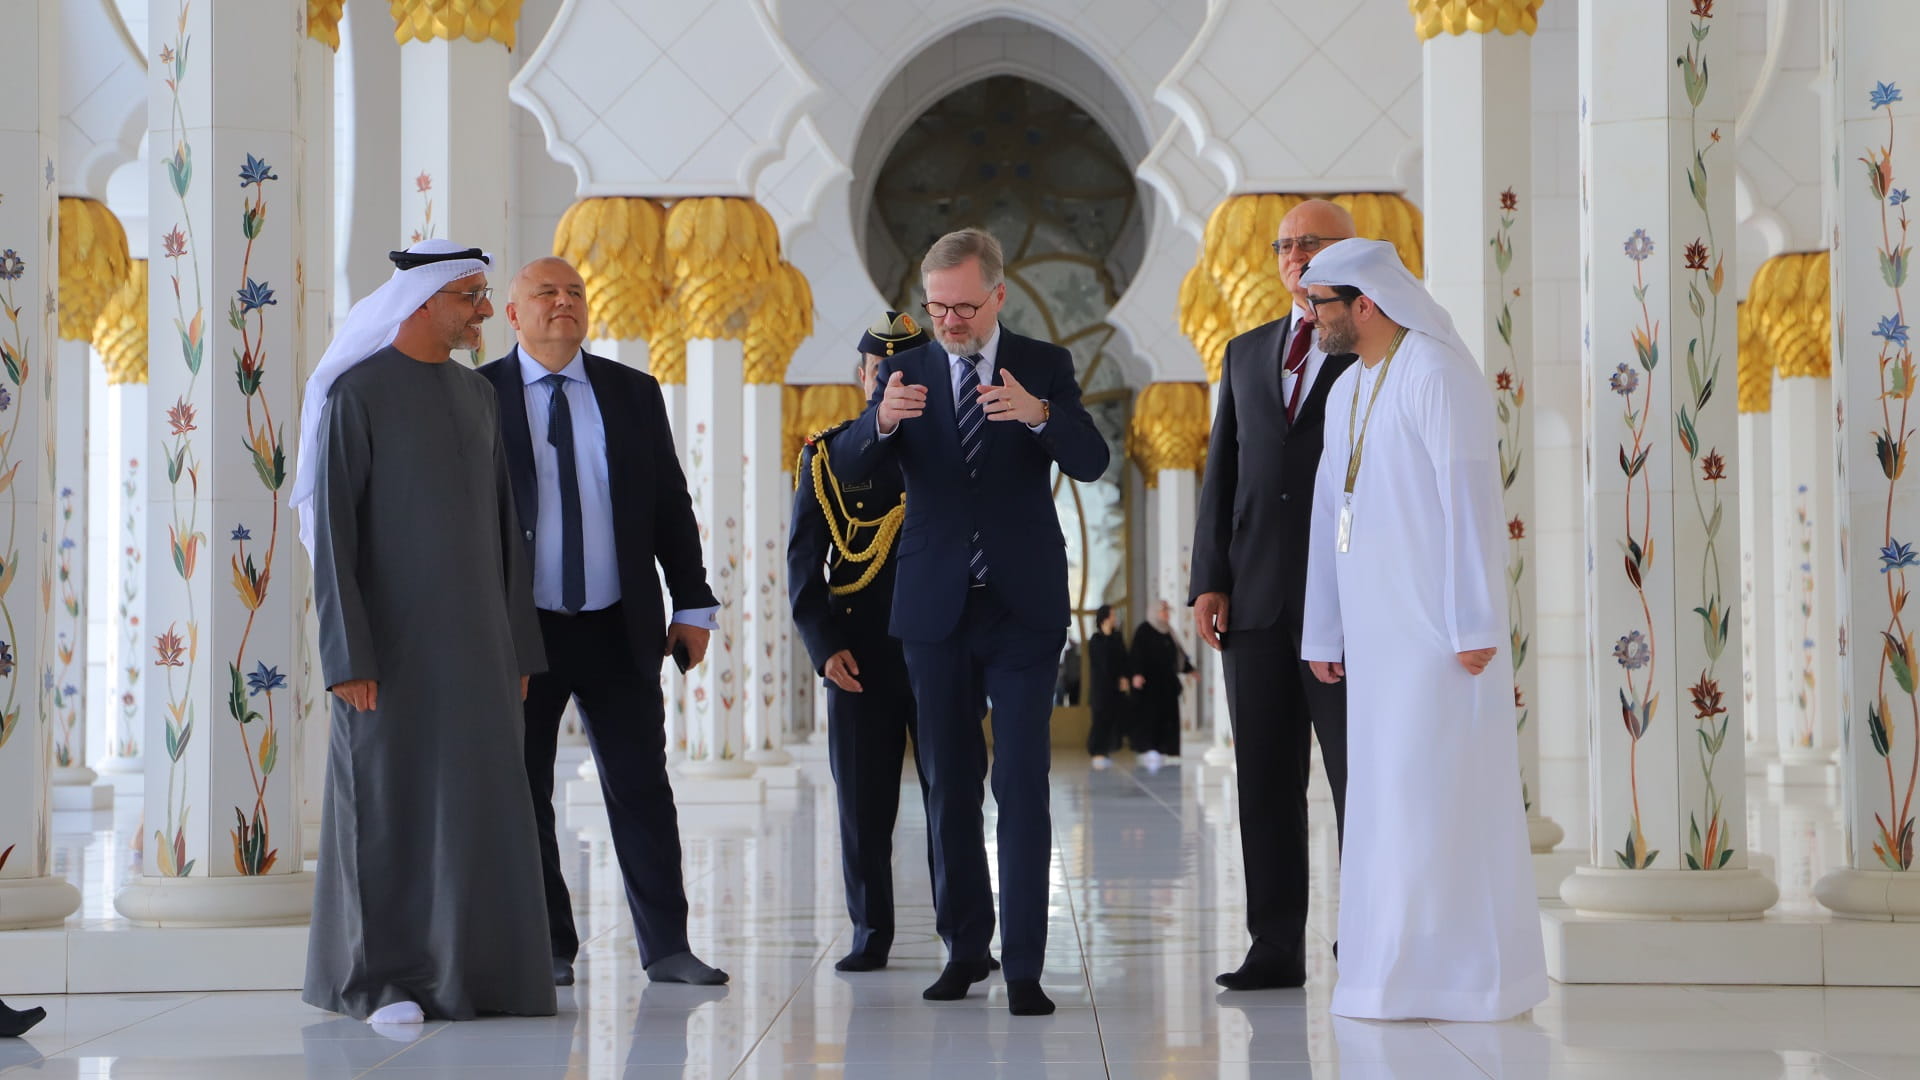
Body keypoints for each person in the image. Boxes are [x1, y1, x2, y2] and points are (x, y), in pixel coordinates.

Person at [828, 227, 1110, 1016]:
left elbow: (1092, 460)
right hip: (933, 611)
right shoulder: (903, 370)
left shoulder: (1044, 365)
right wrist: (880, 420)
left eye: (962, 305)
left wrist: (1039, 414)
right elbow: (848, 468)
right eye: (936, 306)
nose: (948, 320)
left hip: (1023, 610)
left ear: (997, 295)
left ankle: (1024, 966)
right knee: (950, 785)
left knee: (1022, 783)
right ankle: (966, 950)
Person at [296, 239, 554, 1025]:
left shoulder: (477, 397)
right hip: (391, 652)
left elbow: (507, 531)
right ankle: (383, 982)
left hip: (478, 648)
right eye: (471, 297)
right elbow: (335, 537)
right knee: (389, 806)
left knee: (478, 809)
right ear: (424, 303)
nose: (484, 311)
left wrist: (518, 646)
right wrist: (347, 656)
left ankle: (477, 976)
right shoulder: (356, 396)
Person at [1299, 237, 1547, 1022]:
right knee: (1383, 801)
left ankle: (1468, 978)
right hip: (1376, 639)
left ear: (1364, 305)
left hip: (1440, 639)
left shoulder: (1438, 375)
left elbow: (1472, 502)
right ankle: (1385, 975)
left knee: (1438, 799)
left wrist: (1474, 618)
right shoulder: (1346, 392)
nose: (1310, 321)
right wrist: (1323, 629)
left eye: (1321, 307)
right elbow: (1326, 518)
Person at [479, 257, 727, 989]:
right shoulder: (476, 396)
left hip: (619, 623)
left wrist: (693, 604)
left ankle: (668, 946)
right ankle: (549, 945)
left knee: (640, 785)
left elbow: (669, 508)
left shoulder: (632, 393)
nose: (563, 303)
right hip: (521, 633)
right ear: (512, 315)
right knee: (523, 788)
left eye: (575, 293)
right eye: (544, 294)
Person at [1189, 198, 1356, 991]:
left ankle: (1363, 937)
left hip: (1346, 607)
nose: (1294, 256)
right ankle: (1274, 947)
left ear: (1347, 253)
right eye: (1285, 245)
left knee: (1358, 779)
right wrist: (1208, 578)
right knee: (1263, 782)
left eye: (1310, 243)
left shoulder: (1373, 348)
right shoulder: (1246, 352)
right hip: (1253, 604)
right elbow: (1222, 471)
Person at [787, 311, 935, 973]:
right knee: (862, 805)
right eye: (882, 372)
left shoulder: (957, 450)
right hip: (859, 656)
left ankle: (965, 932)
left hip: (941, 651)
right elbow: (803, 565)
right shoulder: (828, 456)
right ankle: (870, 932)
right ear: (862, 376)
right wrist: (822, 647)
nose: (894, 383)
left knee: (954, 798)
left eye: (907, 372)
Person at [1129, 599, 1192, 768]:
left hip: (1168, 684)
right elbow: (1136, 655)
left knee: (1169, 718)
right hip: (1150, 685)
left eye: (1167, 611)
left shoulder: (1169, 632)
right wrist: (1136, 674)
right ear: (1155, 612)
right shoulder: (1144, 631)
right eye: (1163, 611)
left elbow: (1178, 655)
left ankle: (1168, 750)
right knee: (1151, 718)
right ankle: (1151, 749)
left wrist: (1190, 669)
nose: (1166, 614)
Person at [1084, 604, 1132, 769]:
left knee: (1113, 718)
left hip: (1116, 688)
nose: (1115, 618)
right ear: (1104, 618)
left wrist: (1125, 677)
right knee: (1100, 719)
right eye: (1112, 615)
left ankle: (1107, 750)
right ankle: (1097, 751)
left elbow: (1124, 659)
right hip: (1101, 688)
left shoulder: (1117, 637)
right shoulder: (1095, 641)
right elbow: (1102, 664)